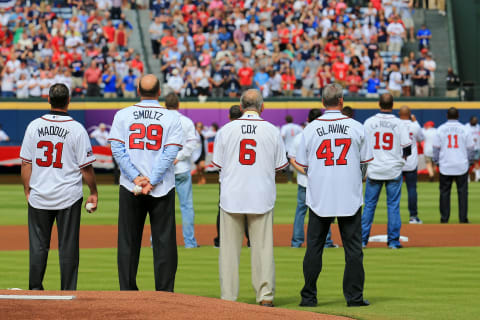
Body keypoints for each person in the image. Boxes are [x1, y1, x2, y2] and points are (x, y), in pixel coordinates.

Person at [296, 83, 371, 307]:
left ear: (322, 102)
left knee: (314, 248)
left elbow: (303, 165)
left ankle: (308, 297)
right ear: (341, 101)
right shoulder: (357, 127)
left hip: (320, 196)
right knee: (354, 250)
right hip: (349, 195)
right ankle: (354, 297)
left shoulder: (309, 129)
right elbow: (365, 165)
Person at [212, 89, 288, 307]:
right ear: (262, 106)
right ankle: (265, 296)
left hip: (231, 196)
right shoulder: (272, 131)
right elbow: (280, 167)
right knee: (263, 249)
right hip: (261, 195)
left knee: (229, 252)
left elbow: (217, 165)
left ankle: (228, 297)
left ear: (241, 105)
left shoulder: (226, 130)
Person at [108, 74, 183, 291]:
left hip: (130, 186)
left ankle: (128, 291)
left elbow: (117, 150)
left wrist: (136, 178)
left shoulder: (123, 115)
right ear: (159, 92)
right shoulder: (171, 117)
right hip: (162, 186)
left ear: (138, 91)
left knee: (128, 241)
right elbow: (170, 153)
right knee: (164, 241)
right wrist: (152, 179)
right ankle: (165, 292)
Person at [20, 83, 98, 290]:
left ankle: (35, 290)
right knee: (68, 247)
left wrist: (27, 189)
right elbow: (86, 167)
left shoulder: (34, 126)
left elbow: (26, 163)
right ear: (68, 101)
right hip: (68, 196)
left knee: (38, 247)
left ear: (48, 99)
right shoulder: (77, 129)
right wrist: (93, 192)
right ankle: (67, 292)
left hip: (39, 195)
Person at [362, 93, 412, 249]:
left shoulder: (369, 122)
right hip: (393, 169)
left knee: (369, 205)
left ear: (379, 104)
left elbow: (362, 147)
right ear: (393, 104)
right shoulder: (399, 123)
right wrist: (401, 159)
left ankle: (362, 241)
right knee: (393, 206)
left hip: (375, 168)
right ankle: (393, 241)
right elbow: (407, 148)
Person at [289, 108, 338, 249]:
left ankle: (296, 242)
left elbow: (292, 159)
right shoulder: (327, 135)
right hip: (323, 180)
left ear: (308, 119)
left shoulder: (300, 136)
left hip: (305, 180)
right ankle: (327, 241)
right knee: (325, 210)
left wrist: (306, 171)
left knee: (301, 211)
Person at [164, 92, 199, 248]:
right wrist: (180, 156)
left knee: (161, 208)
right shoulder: (186, 121)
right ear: (178, 105)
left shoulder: (160, 120)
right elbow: (192, 143)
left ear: (165, 105)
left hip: (163, 170)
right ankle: (190, 242)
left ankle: (156, 242)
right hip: (182, 168)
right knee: (186, 206)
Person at [213, 105, 250, 248]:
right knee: (249, 208)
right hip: (246, 176)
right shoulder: (249, 131)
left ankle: (220, 240)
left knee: (223, 209)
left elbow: (217, 163)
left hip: (227, 178)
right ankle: (251, 241)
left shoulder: (223, 132)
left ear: (229, 116)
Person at [433, 107, 475, 223]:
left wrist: (437, 162)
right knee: (462, 194)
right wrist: (470, 162)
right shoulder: (465, 129)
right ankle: (463, 219)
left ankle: (444, 219)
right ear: (458, 116)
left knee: (444, 193)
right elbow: (471, 149)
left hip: (445, 165)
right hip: (461, 164)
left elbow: (436, 149)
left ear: (447, 116)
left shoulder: (440, 129)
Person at [399, 106, 425, 224]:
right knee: (412, 190)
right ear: (410, 114)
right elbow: (421, 138)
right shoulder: (415, 126)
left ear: (399, 113)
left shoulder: (395, 124)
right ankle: (413, 216)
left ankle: (394, 217)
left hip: (397, 162)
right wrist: (415, 121)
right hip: (411, 162)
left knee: (394, 191)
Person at [280, 115, 303, 182]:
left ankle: (289, 179)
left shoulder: (285, 127)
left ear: (286, 121)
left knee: (288, 165)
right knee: (298, 163)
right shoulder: (297, 127)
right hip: (297, 148)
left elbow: (282, 136)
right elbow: (303, 134)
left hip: (288, 148)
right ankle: (297, 178)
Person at [464, 116, 480, 182]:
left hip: (477, 147)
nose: (475, 121)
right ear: (470, 120)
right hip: (469, 147)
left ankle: (478, 177)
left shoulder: (478, 126)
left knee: (476, 162)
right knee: (467, 163)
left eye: (476, 120)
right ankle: (467, 178)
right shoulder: (466, 127)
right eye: (473, 120)